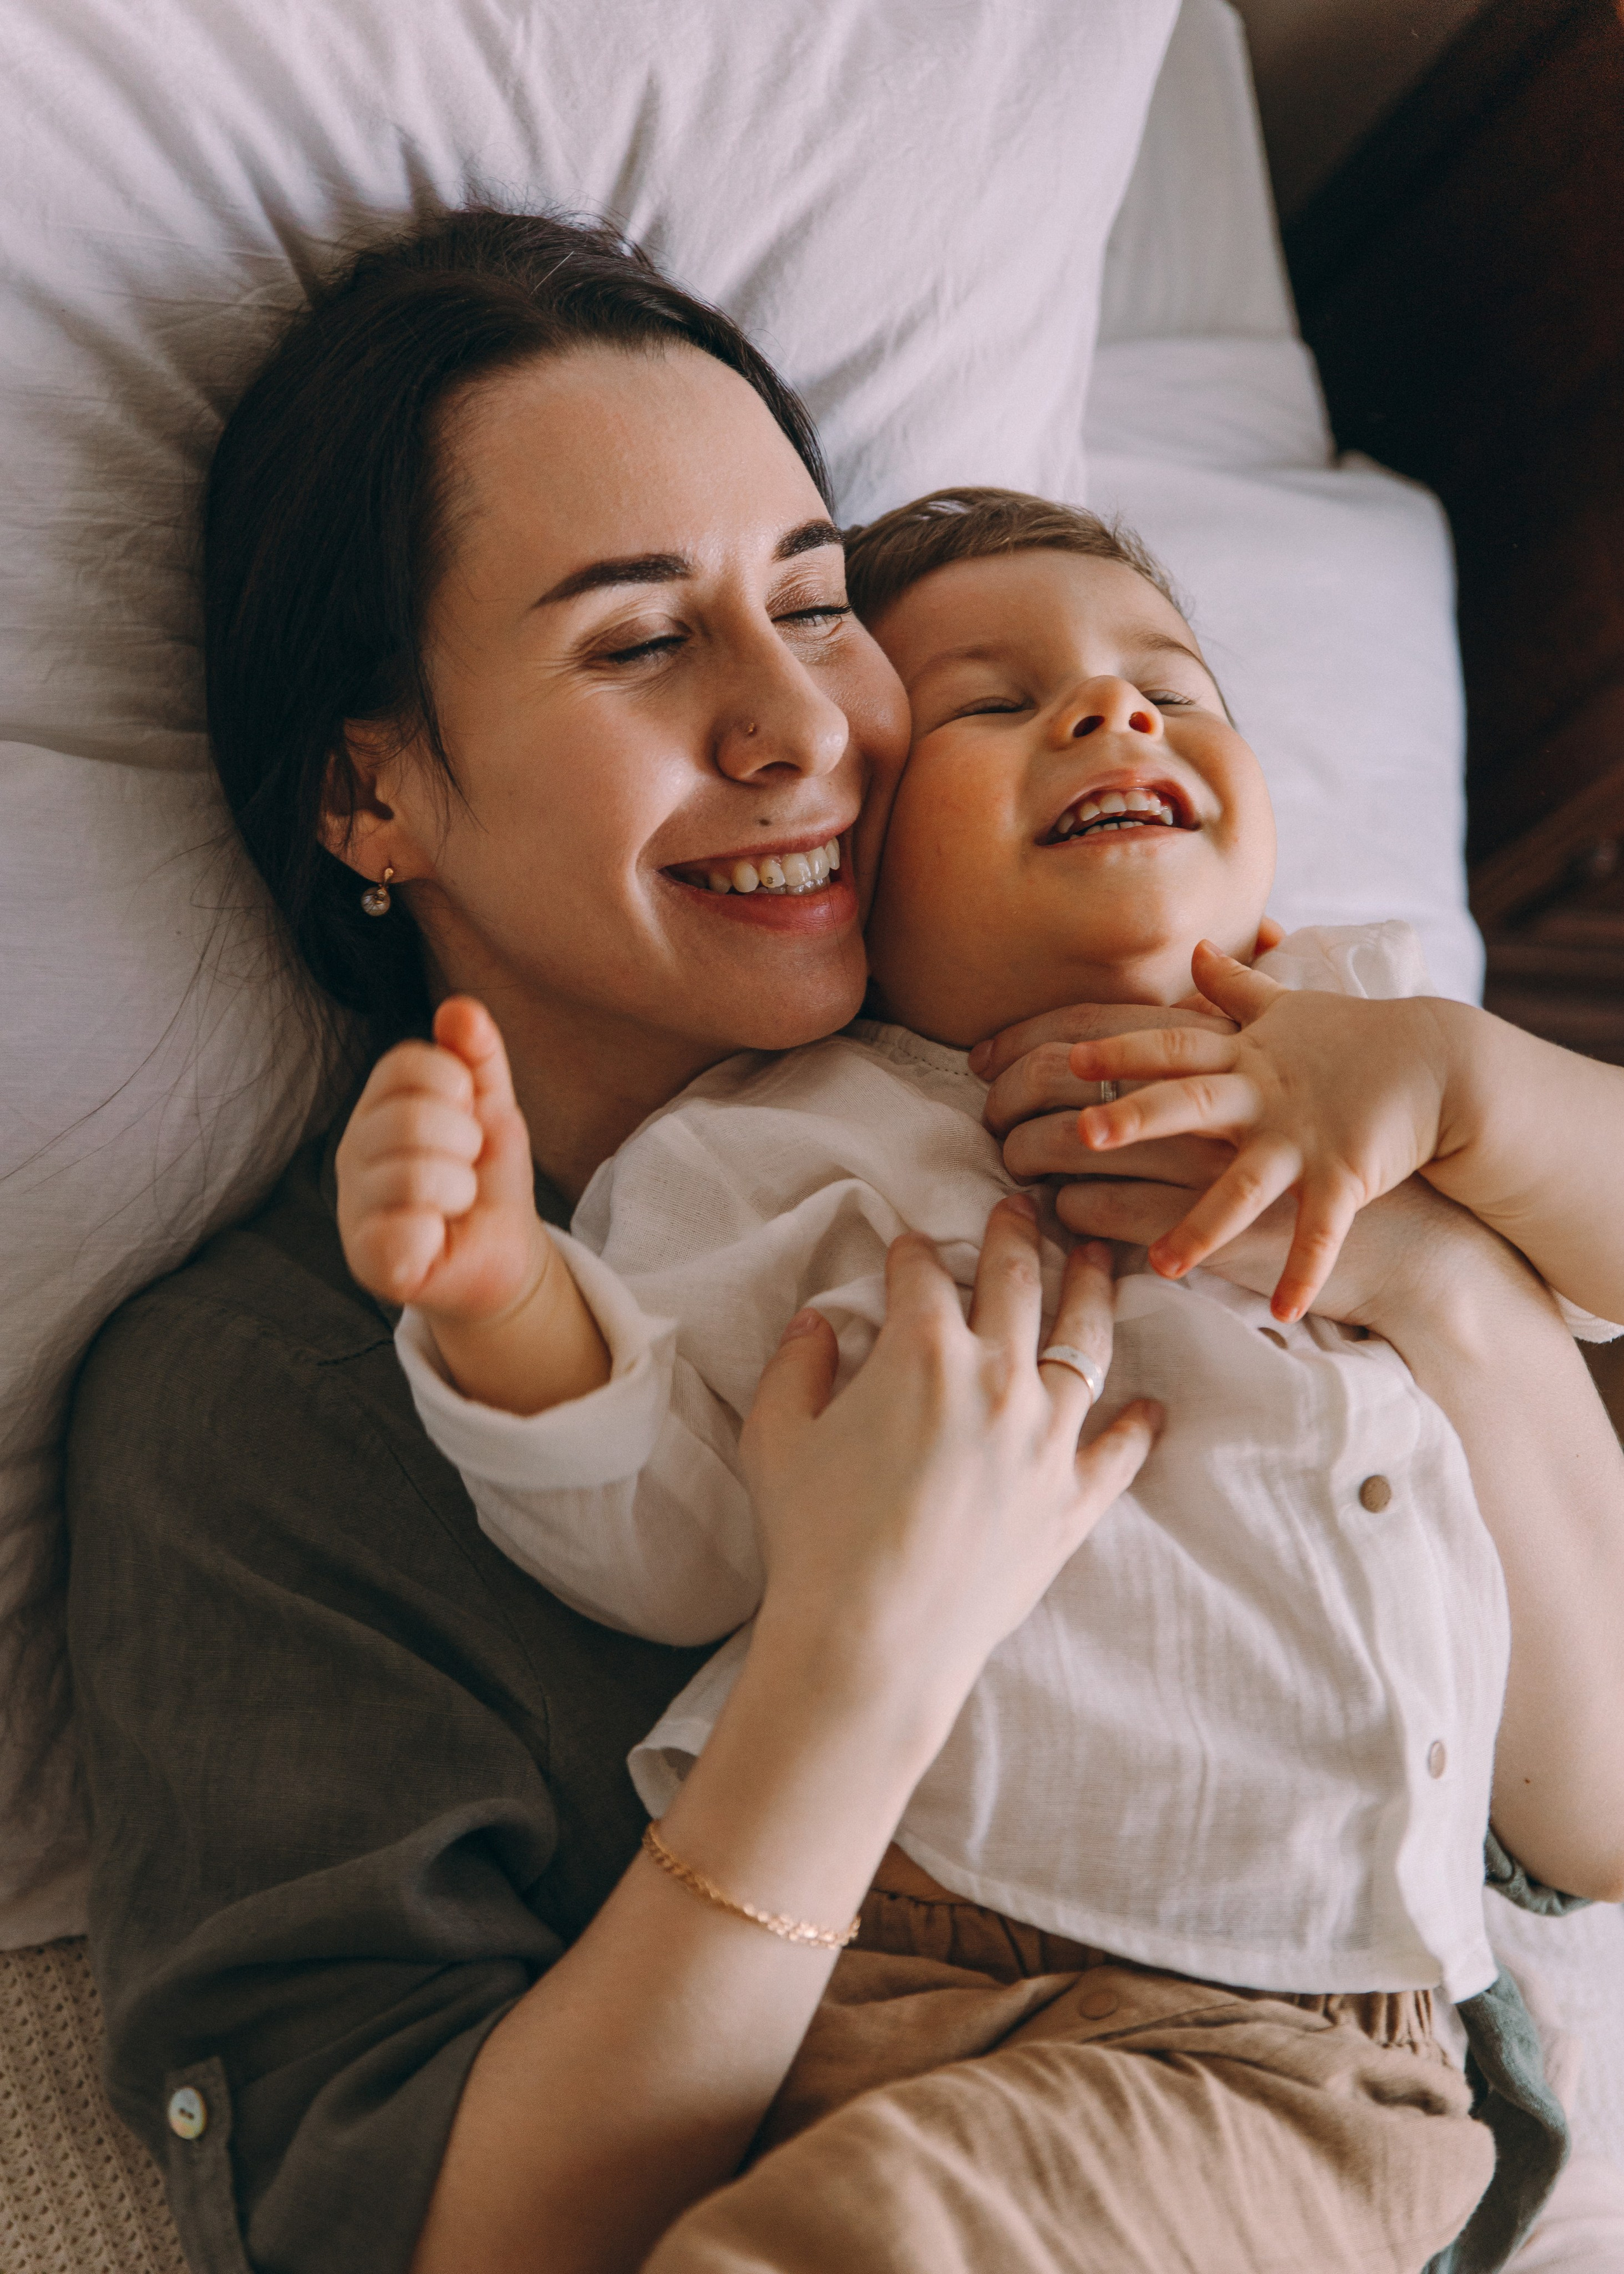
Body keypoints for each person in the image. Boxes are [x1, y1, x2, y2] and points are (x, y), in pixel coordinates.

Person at [58, 213, 1611, 2274]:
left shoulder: (1218, 1072)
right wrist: (856, 1662)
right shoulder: (267, 1414)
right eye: (635, 641)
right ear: (374, 791)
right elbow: (421, 2232)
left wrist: (1424, 1269)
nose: (802, 722)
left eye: (814, 601)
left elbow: (1567, 1826)